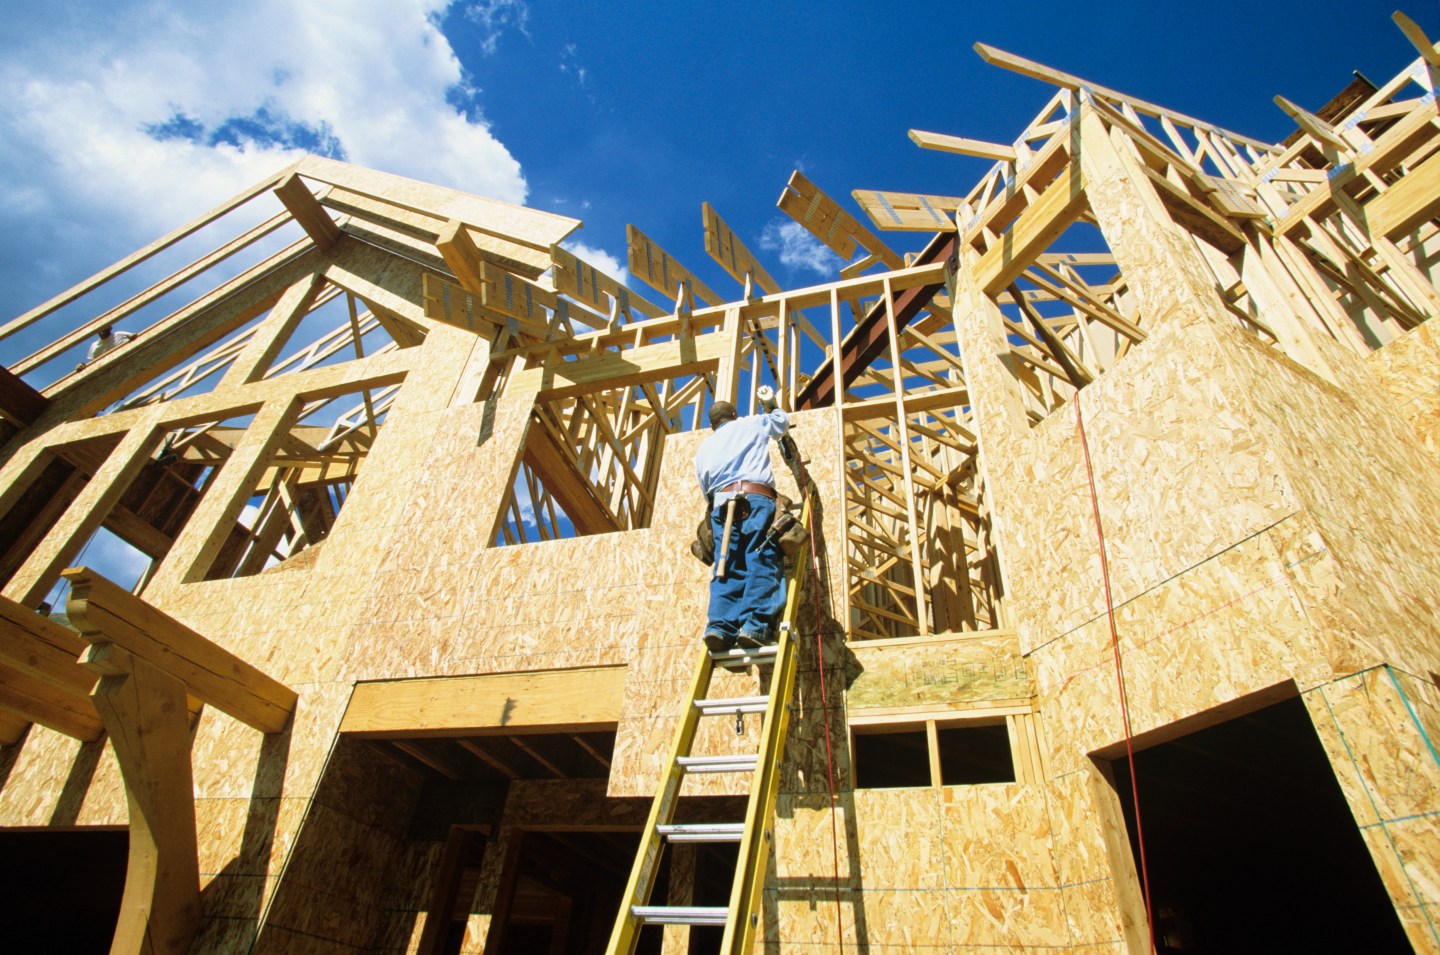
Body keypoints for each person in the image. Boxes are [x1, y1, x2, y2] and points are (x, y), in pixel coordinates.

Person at [694, 398, 790, 651]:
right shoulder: (750, 424)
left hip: (720, 504)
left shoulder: (703, 450)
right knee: (761, 555)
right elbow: (781, 424)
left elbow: (706, 491)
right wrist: (771, 406)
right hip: (755, 497)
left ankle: (719, 627)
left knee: (726, 563)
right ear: (734, 414)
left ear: (712, 424)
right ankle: (754, 625)